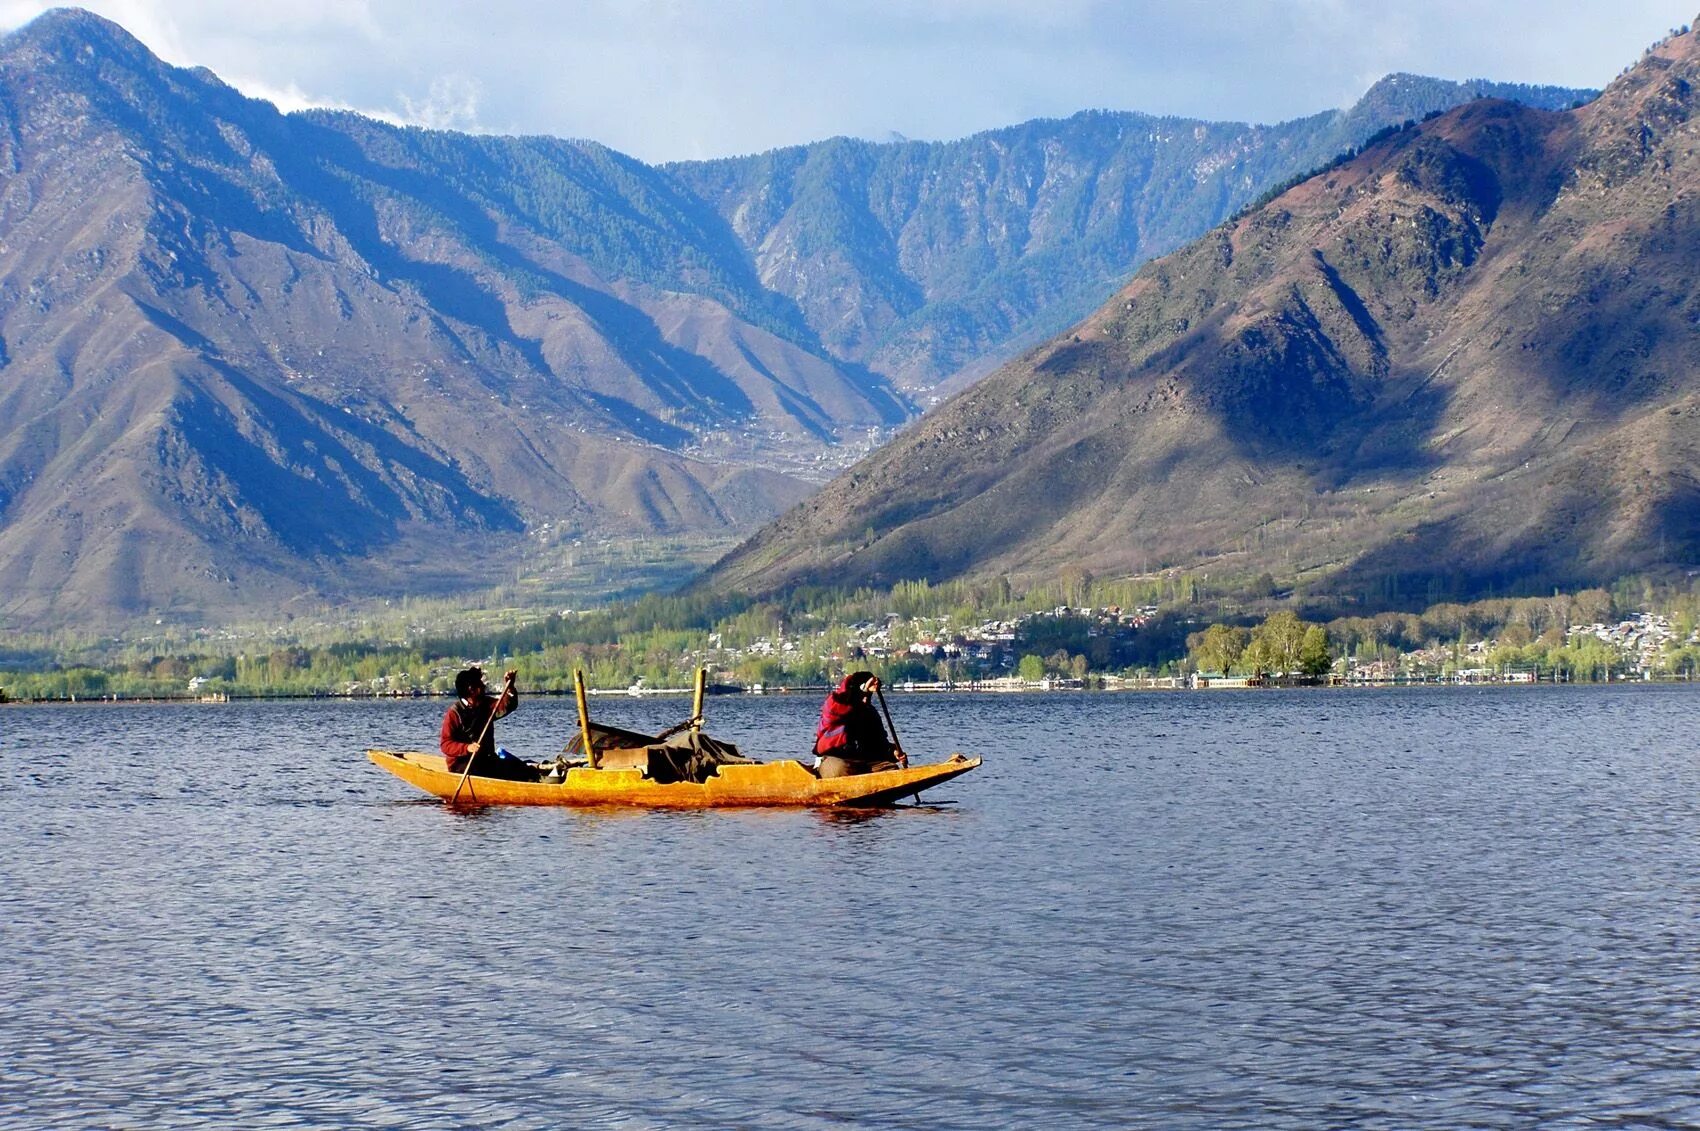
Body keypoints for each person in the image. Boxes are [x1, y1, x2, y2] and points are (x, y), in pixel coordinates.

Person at [440, 666, 535, 780]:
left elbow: (508, 706)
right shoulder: (455, 713)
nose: (484, 686)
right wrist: (467, 747)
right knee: (485, 773)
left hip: (486, 760)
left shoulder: (486, 704)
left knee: (519, 769)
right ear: (471, 689)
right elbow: (445, 744)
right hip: (463, 764)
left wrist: (510, 687)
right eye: (480, 684)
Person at [812, 671, 906, 777]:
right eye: (863, 696)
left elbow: (880, 745)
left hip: (864, 763)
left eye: (869, 696)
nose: (866, 700)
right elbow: (841, 700)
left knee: (892, 770)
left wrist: (893, 752)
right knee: (841, 769)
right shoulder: (836, 706)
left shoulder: (871, 713)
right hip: (833, 760)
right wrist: (863, 689)